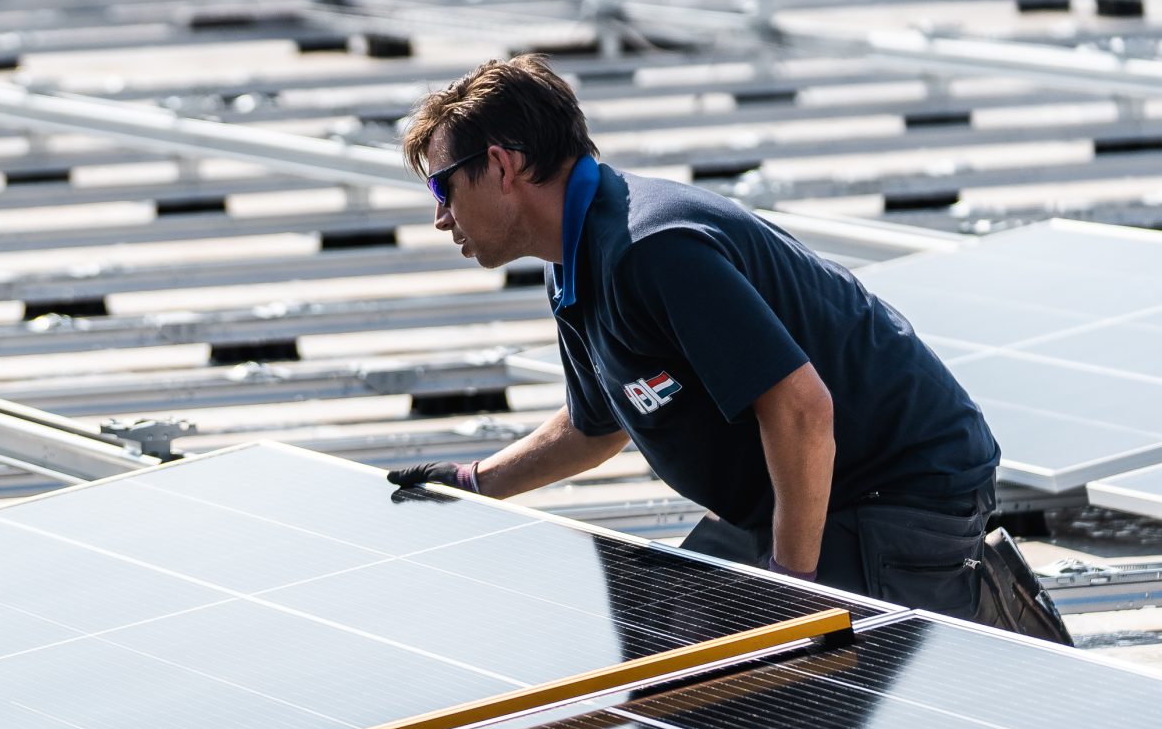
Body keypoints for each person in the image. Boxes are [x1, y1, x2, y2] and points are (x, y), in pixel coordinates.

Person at [388, 55, 1003, 618]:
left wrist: (792, 590)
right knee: (662, 634)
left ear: (502, 165)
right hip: (805, 491)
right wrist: (476, 481)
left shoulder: (651, 249)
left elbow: (801, 409)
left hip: (896, 491)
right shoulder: (574, 260)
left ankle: (995, 630)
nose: (440, 217)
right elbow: (597, 425)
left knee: (767, 686)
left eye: (442, 187)